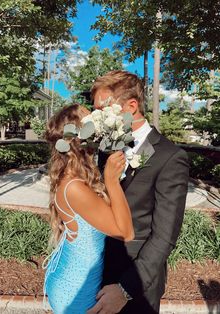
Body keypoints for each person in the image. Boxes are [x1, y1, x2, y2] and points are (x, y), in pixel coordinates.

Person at [88, 70, 189, 314]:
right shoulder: (105, 148)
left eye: (102, 110)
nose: (96, 117)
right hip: (96, 272)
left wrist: (125, 289)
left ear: (131, 106)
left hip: (136, 282)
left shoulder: (170, 157)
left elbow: (164, 236)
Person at [43, 104, 134, 314]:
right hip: (75, 291)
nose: (97, 117)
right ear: (78, 135)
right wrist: (111, 180)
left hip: (72, 278)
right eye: (91, 117)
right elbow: (126, 233)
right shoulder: (74, 187)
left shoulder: (74, 177)